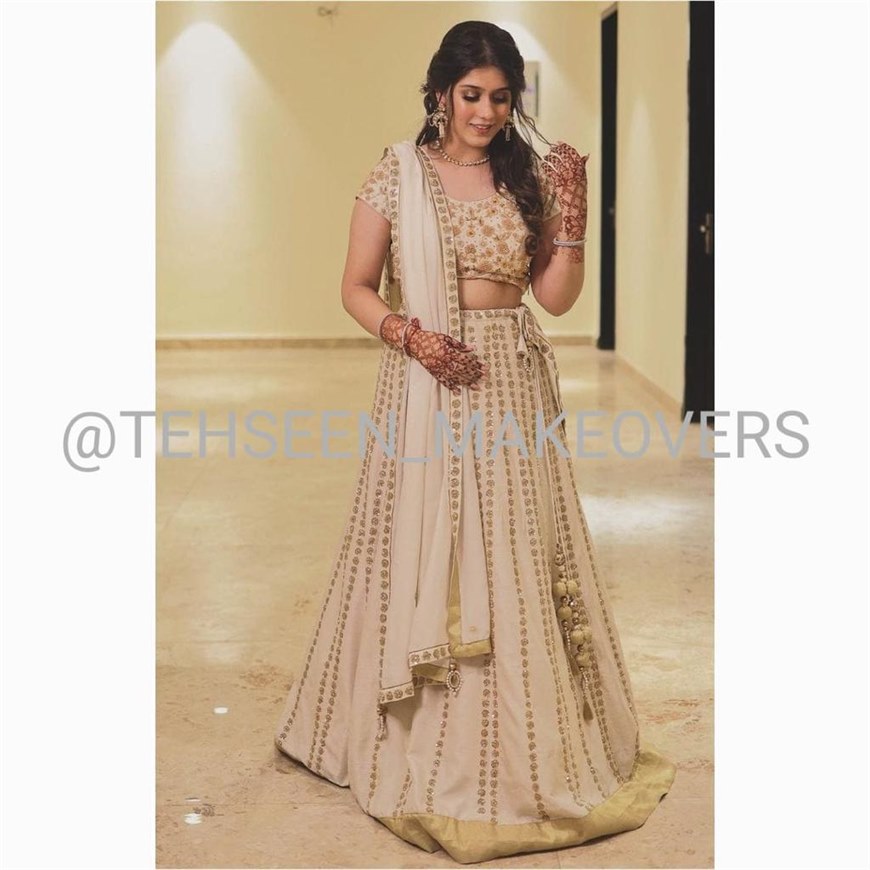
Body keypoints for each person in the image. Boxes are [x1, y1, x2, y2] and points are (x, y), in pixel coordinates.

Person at [274, 20, 676, 865]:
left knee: (513, 547)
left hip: (509, 379)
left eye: (500, 97)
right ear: (439, 93)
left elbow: (555, 298)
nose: (487, 112)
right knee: (419, 543)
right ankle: (413, 732)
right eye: (471, 95)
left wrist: (572, 216)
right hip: (426, 375)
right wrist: (414, 338)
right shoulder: (397, 173)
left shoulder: (525, 176)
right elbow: (355, 286)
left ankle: (520, 743)